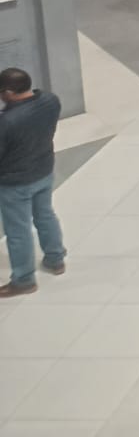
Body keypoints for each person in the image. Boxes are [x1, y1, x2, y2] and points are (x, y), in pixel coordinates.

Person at [0, 67, 65, 297]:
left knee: (18, 231)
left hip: (15, 182)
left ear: (8, 92)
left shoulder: (7, 121)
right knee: (45, 215)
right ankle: (55, 259)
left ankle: (24, 280)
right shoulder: (50, 100)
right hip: (44, 170)